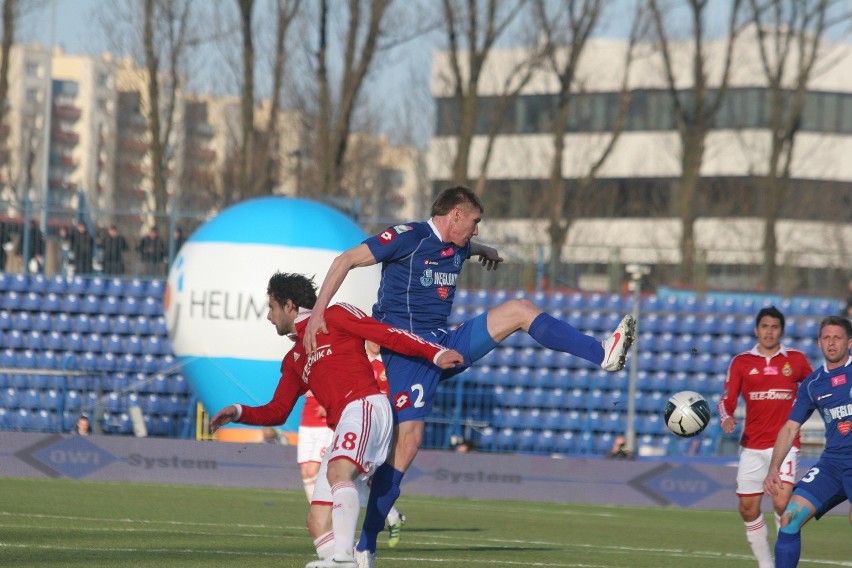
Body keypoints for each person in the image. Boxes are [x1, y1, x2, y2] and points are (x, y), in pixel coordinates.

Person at [303, 185, 636, 563]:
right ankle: (366, 548)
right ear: (455, 215)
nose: (477, 230)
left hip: (445, 344)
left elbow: (465, 247)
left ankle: (603, 354)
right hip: (407, 352)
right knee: (407, 444)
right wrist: (318, 313)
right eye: (475, 222)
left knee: (520, 309)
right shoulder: (407, 237)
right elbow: (344, 260)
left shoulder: (460, 246)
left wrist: (484, 252)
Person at [209, 272, 463, 568]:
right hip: (345, 422)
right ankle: (345, 561)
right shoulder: (294, 358)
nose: (268, 316)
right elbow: (277, 411)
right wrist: (239, 412)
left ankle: (343, 560)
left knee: (339, 472)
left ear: (289, 305)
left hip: (365, 405)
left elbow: (386, 334)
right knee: (317, 522)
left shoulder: (335, 314)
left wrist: (435, 353)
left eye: (272, 307)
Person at [717, 306, 813, 568]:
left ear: (781, 330)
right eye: (764, 327)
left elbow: (817, 386)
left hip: (785, 444)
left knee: (783, 504)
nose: (769, 332)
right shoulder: (741, 362)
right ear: (756, 329)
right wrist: (726, 417)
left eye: (774, 327)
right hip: (752, 445)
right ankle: (766, 565)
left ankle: (783, 562)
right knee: (747, 509)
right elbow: (726, 400)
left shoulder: (796, 359)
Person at [764, 315, 852, 568]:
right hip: (832, 465)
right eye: (826, 338)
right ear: (819, 343)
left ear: (850, 342)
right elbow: (790, 427)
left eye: (837, 337)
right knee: (788, 518)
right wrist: (773, 468)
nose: (831, 343)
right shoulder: (812, 384)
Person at [365, 340, 406, 548]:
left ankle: (389, 517)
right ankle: (393, 516)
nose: (375, 343)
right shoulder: (361, 362)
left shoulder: (387, 365)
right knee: (365, 477)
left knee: (370, 477)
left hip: (384, 425)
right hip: (365, 423)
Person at [297, 390, 334, 502]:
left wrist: (328, 405)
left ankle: (327, 508)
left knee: (312, 471)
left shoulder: (333, 372)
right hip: (306, 423)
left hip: (324, 425)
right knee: (305, 472)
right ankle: (317, 511)